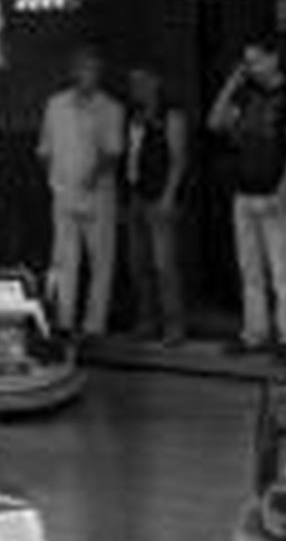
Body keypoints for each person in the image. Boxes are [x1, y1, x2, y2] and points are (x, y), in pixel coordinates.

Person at [208, 35, 286, 356]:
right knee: (249, 269)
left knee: (282, 270)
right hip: (244, 193)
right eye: (246, 61)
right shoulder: (245, 92)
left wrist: (283, 193)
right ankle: (254, 334)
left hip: (274, 195)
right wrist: (231, 83)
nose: (250, 67)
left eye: (255, 60)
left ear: (274, 59)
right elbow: (214, 123)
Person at [38, 46, 126, 339]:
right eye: (84, 69)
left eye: (94, 70)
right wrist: (53, 177)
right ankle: (64, 322)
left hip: (99, 196)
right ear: (73, 72)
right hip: (63, 194)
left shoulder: (111, 108)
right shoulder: (55, 105)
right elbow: (45, 148)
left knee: (101, 262)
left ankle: (94, 325)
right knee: (65, 261)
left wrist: (93, 175)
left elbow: (113, 153)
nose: (90, 74)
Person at [124, 65, 190, 345]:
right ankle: (147, 323)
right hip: (135, 196)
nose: (137, 87)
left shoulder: (172, 113)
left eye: (142, 81)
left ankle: (174, 327)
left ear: (156, 81)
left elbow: (179, 158)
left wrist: (168, 196)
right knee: (138, 265)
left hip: (160, 198)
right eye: (133, 83)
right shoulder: (134, 113)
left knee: (164, 265)